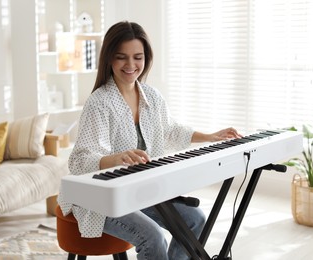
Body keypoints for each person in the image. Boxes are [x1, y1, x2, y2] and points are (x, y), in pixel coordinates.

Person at [58, 21, 242, 260]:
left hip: (140, 192)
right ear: (109, 59)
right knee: (153, 236)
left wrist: (209, 136)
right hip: (100, 198)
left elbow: (169, 130)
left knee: (196, 221)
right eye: (122, 57)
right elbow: (80, 161)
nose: (131, 65)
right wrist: (115, 158)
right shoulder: (99, 102)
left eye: (138, 57)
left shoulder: (152, 97)